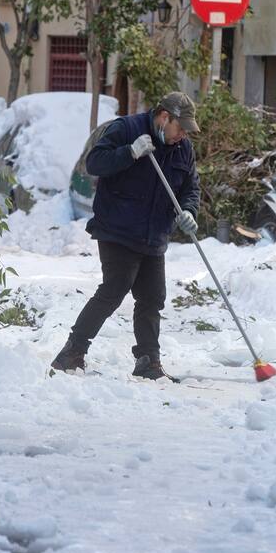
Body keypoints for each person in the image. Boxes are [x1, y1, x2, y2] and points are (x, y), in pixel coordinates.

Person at [51, 92, 201, 380]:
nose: (182, 135)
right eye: (179, 127)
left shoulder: (183, 149)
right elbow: (94, 163)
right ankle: (72, 352)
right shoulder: (126, 129)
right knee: (115, 288)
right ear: (164, 117)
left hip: (154, 233)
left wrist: (189, 211)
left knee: (152, 298)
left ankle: (148, 362)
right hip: (117, 228)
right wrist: (129, 152)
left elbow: (190, 188)